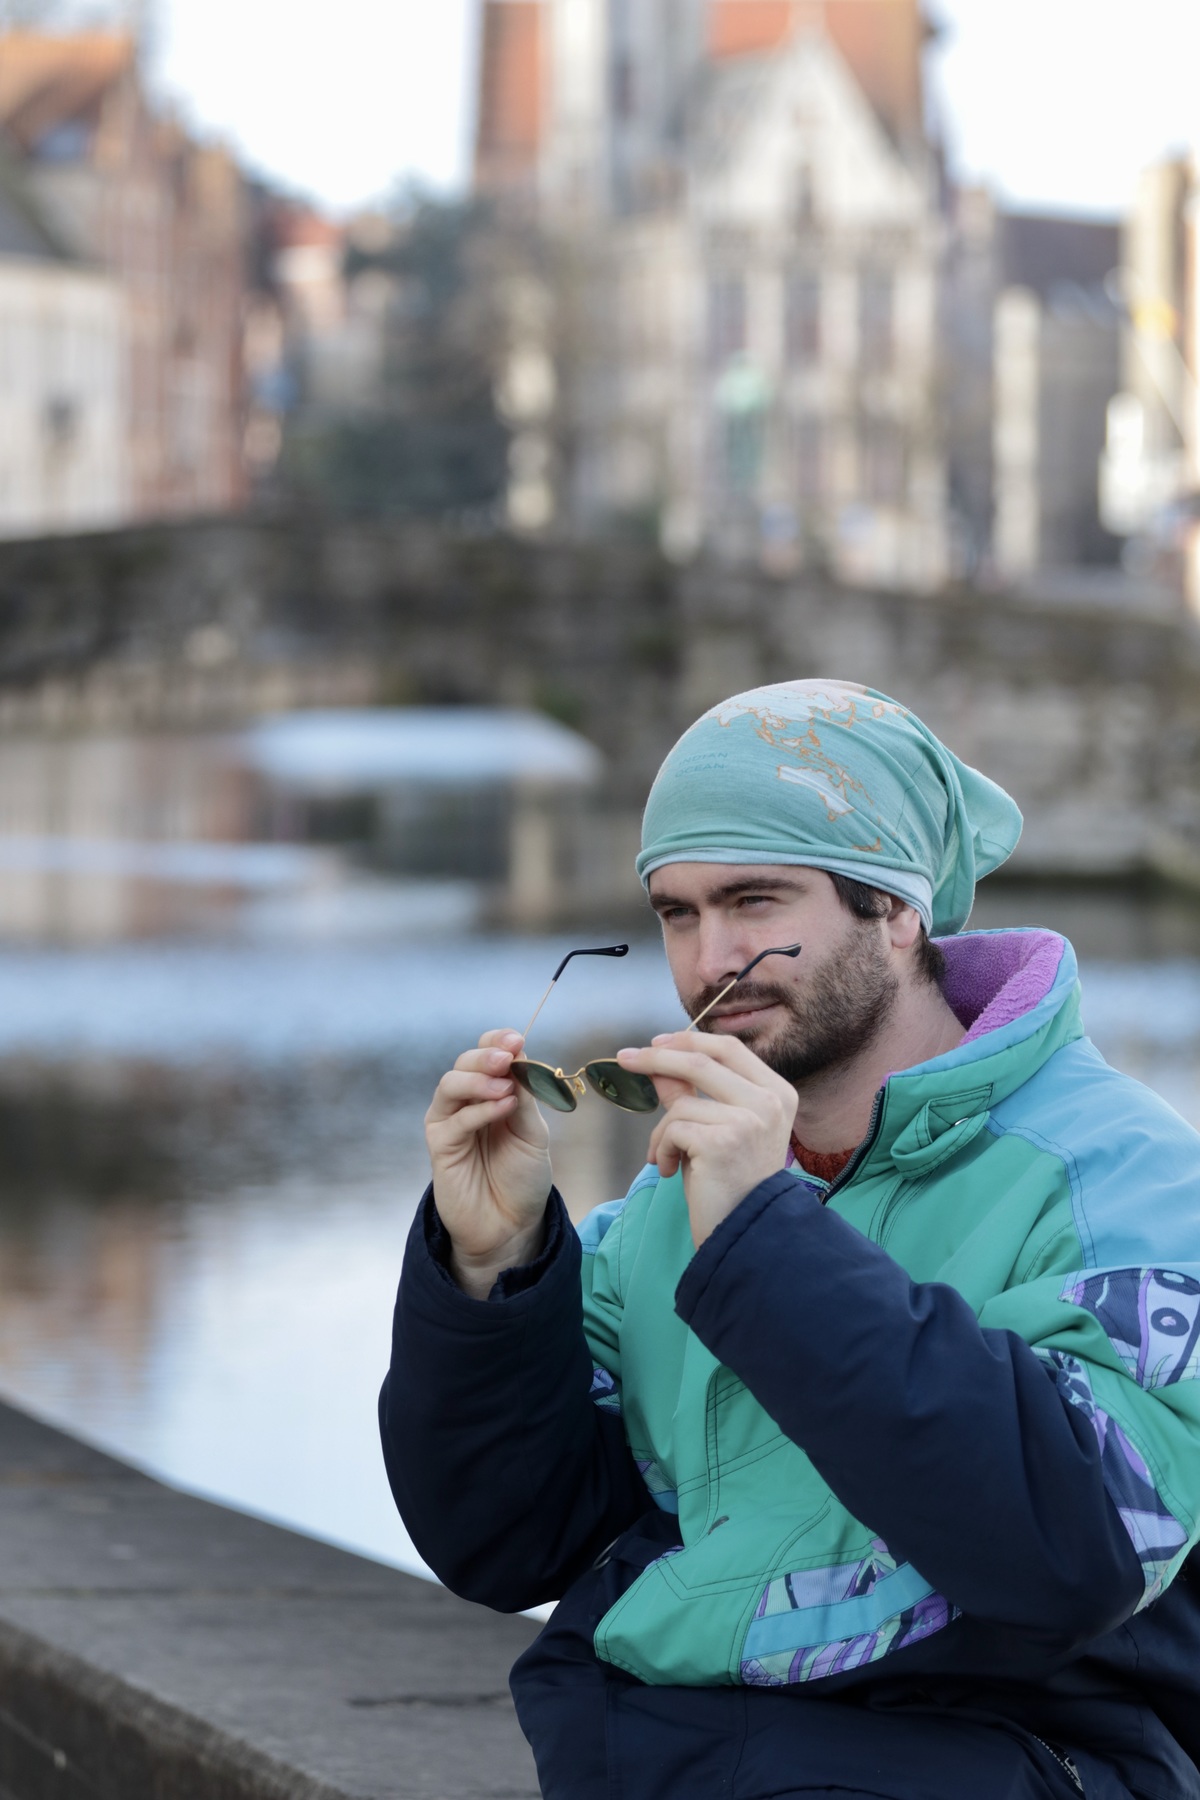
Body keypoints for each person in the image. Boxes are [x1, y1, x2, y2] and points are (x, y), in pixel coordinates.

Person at [380, 679, 1200, 1800]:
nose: (710, 958)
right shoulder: (669, 1203)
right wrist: (493, 1270)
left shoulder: (1127, 1183)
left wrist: (767, 1241)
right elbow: (504, 1541)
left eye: (755, 901)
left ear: (896, 908)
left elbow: (1077, 1549)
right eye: (677, 913)